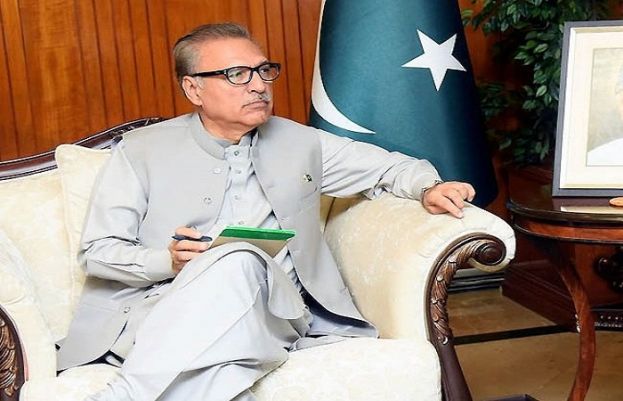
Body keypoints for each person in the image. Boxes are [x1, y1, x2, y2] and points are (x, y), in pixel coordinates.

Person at [56, 22, 475, 401]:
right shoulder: (141, 151)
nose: (258, 86)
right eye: (237, 75)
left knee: (237, 258)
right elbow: (98, 252)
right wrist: (167, 261)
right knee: (227, 348)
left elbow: (391, 168)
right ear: (194, 89)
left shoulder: (302, 144)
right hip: (164, 309)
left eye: (263, 71)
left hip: (275, 310)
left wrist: (428, 187)